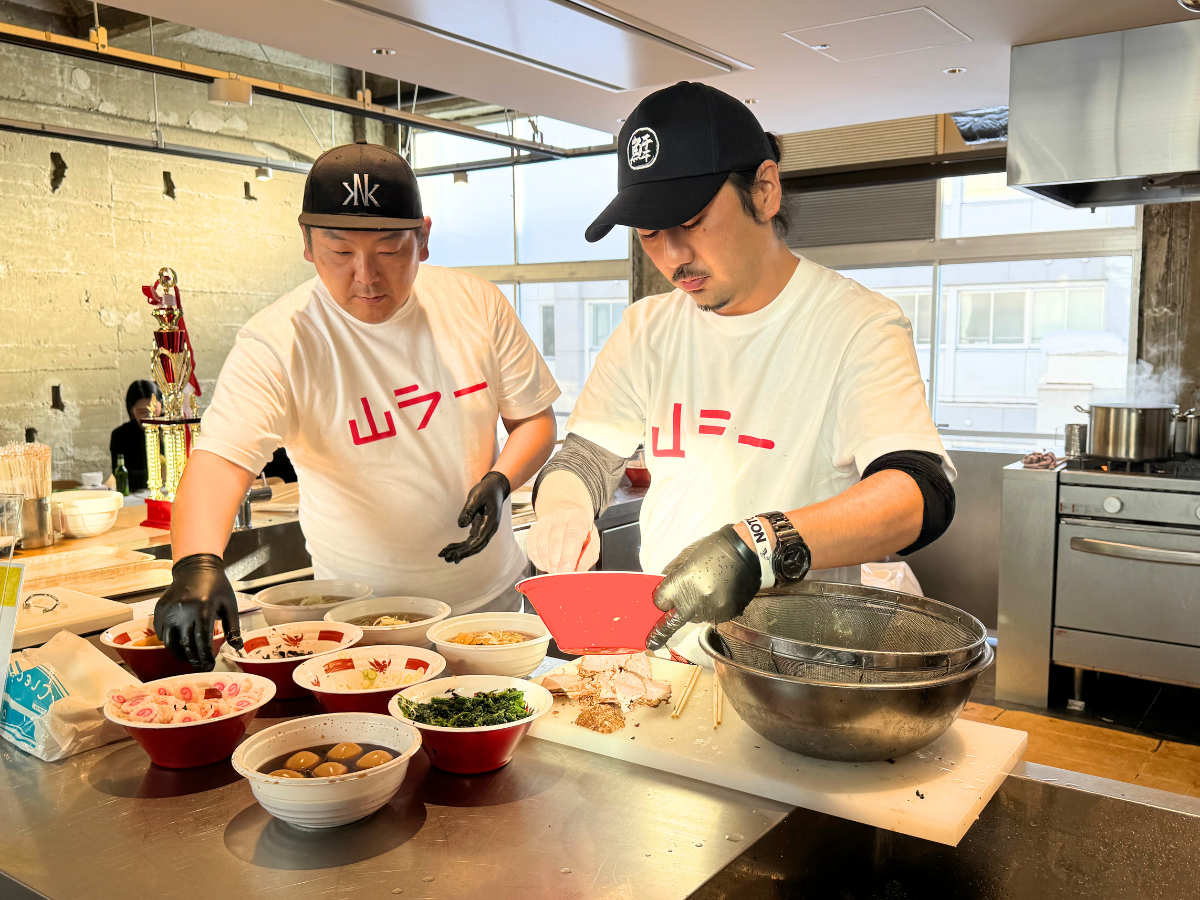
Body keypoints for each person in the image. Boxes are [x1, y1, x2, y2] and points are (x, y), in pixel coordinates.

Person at [526, 82, 955, 652]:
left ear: (765, 191)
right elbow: (586, 458)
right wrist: (562, 509)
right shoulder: (647, 329)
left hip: (794, 665)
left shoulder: (857, 324)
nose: (673, 256)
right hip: (665, 655)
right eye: (651, 234)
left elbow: (917, 494)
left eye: (694, 221)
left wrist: (755, 546)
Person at [155, 141, 560, 669]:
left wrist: (503, 477)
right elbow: (220, 460)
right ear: (306, 243)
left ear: (424, 238)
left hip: (490, 607)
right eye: (340, 252)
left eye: (390, 250)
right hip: (361, 625)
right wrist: (197, 563)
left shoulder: (476, 305)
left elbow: (533, 419)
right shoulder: (280, 340)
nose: (366, 276)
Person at [110, 380, 162, 493]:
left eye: (153, 411)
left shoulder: (170, 430)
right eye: (142, 412)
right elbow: (121, 475)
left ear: (161, 405)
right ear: (132, 411)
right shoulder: (121, 435)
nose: (149, 417)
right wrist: (158, 473)